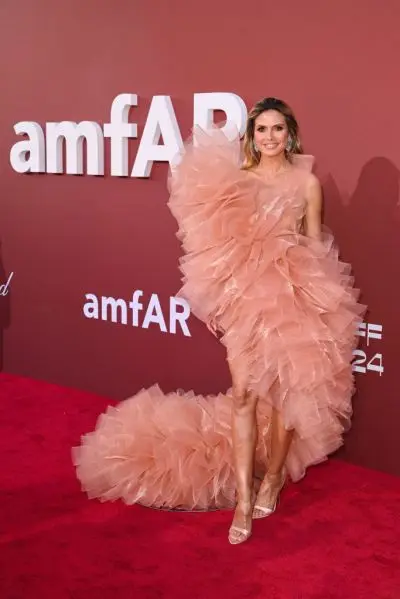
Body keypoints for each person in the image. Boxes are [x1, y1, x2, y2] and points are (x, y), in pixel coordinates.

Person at [73, 97, 366, 546]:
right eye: (262, 130)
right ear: (252, 136)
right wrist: (224, 301)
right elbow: (219, 249)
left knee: (291, 399)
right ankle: (245, 500)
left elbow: (315, 246)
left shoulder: (306, 183)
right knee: (245, 396)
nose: (270, 138)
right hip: (247, 302)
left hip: (294, 300)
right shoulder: (240, 182)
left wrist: (317, 302)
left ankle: (272, 480)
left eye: (278, 129)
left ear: (291, 133)